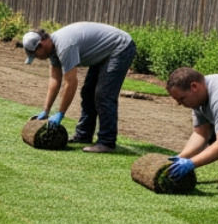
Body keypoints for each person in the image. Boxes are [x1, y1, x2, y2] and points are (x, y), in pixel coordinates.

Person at [20, 23, 137, 152]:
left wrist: (60, 113)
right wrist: (46, 111)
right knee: (88, 93)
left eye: (36, 55)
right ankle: (83, 135)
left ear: (41, 44)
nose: (38, 58)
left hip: (120, 47)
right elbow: (55, 80)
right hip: (105, 52)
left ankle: (107, 142)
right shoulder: (52, 50)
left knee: (104, 95)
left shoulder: (65, 46)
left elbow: (70, 83)